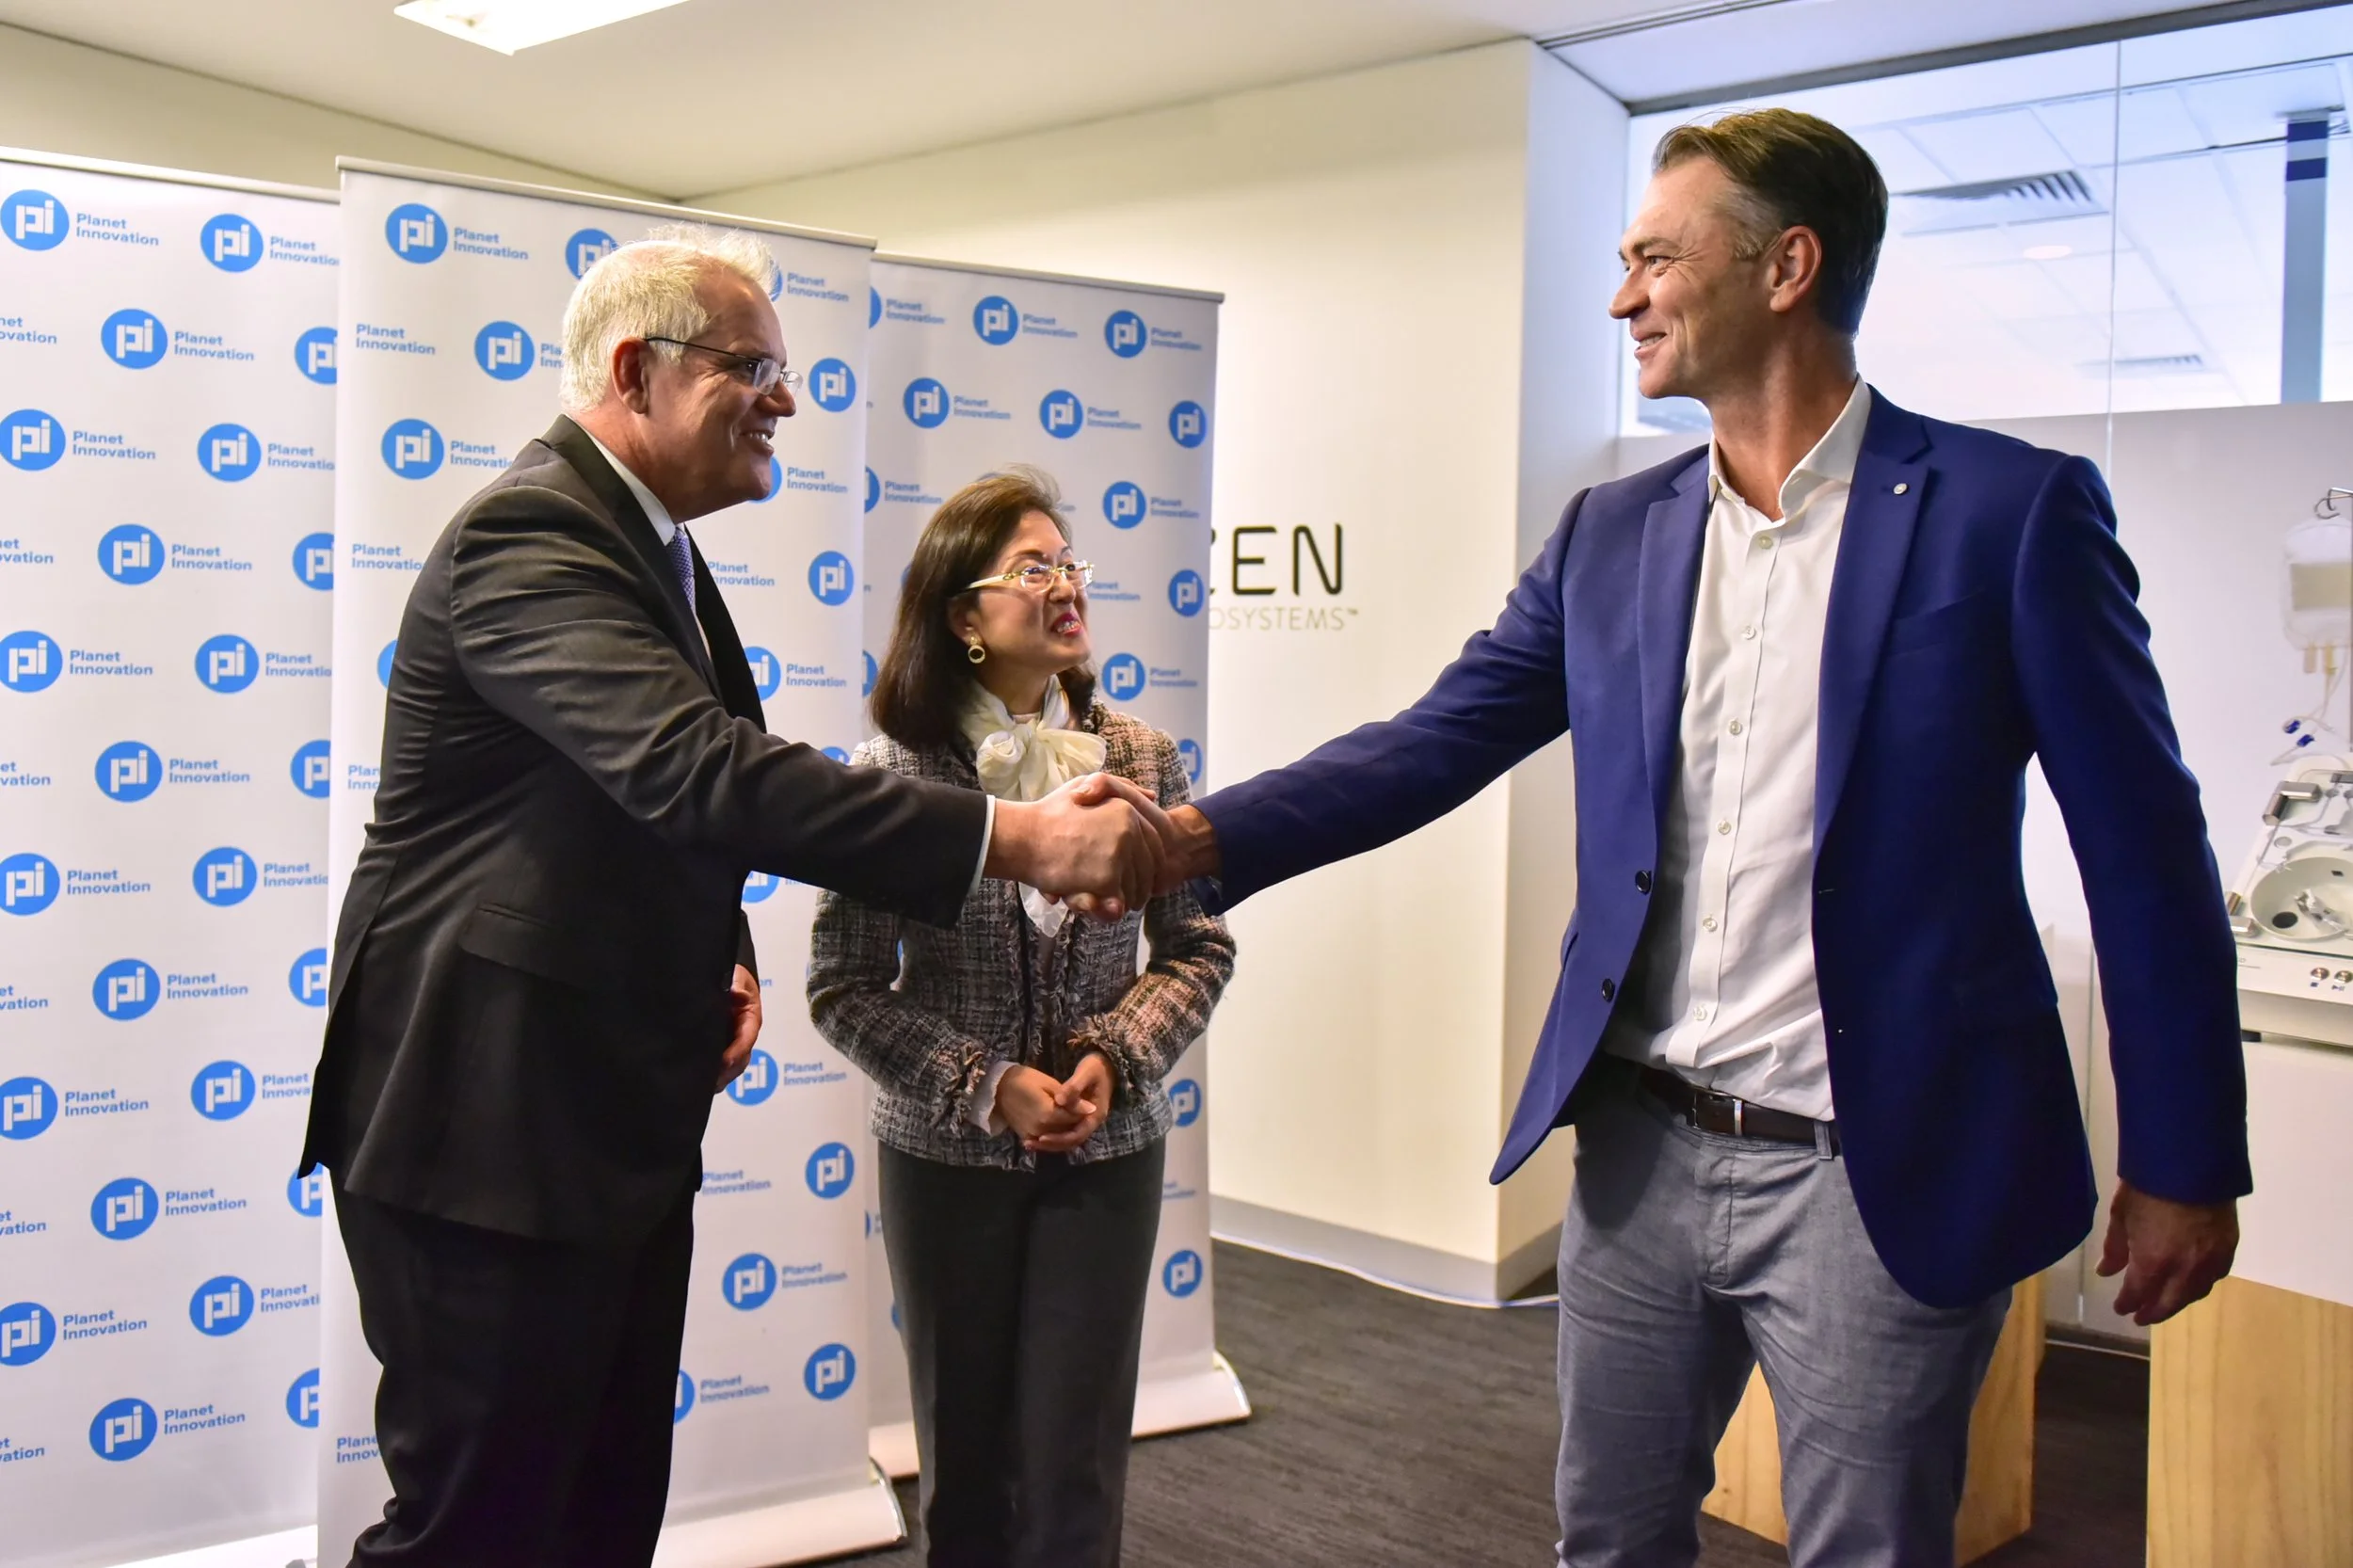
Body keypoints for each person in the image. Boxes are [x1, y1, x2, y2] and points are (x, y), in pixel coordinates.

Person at [1128, 110, 2249, 1566]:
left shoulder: (2008, 514)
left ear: (1789, 265)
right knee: (1609, 1536)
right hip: (1640, 1156)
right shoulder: (1614, 532)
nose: (1623, 297)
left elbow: (2146, 848)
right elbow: (1433, 741)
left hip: (1878, 1167)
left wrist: (2183, 1156)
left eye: (1656, 256)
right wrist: (1183, 843)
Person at [296, 229, 1168, 1568]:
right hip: (482, 1130)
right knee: (477, 1531)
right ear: (639, 369)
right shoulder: (531, 533)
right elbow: (694, 767)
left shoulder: (656, 552)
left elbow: (634, 810)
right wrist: (1021, 840)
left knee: (593, 1514)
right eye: (753, 366)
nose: (788, 398)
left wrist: (723, 952)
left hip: (594, 1125)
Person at [809, 468, 1234, 1568]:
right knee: (966, 1467)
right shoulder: (890, 774)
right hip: (946, 1158)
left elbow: (1198, 946)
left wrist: (1111, 1050)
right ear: (963, 618)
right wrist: (983, 1081)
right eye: (1032, 567)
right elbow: (840, 987)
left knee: (1077, 1466)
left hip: (1110, 1150)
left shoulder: (1144, 756)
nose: (1064, 584)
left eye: (1070, 562)